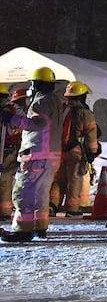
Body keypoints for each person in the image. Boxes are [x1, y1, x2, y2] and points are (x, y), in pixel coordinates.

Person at [2, 66, 64, 242]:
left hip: (36, 155)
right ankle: (39, 227)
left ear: (37, 84)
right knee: (40, 194)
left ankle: (23, 229)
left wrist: (12, 119)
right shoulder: (55, 101)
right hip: (50, 156)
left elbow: (36, 124)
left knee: (24, 193)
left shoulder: (41, 102)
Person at [50, 80, 100, 217]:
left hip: (59, 150)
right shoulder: (85, 113)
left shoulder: (62, 110)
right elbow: (91, 134)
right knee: (74, 179)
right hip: (76, 152)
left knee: (58, 179)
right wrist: (93, 152)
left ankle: (52, 204)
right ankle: (72, 209)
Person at [0, 86, 30, 220]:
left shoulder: (9, 114)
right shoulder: (12, 113)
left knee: (5, 180)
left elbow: (14, 133)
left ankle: (4, 211)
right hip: (9, 149)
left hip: (8, 150)